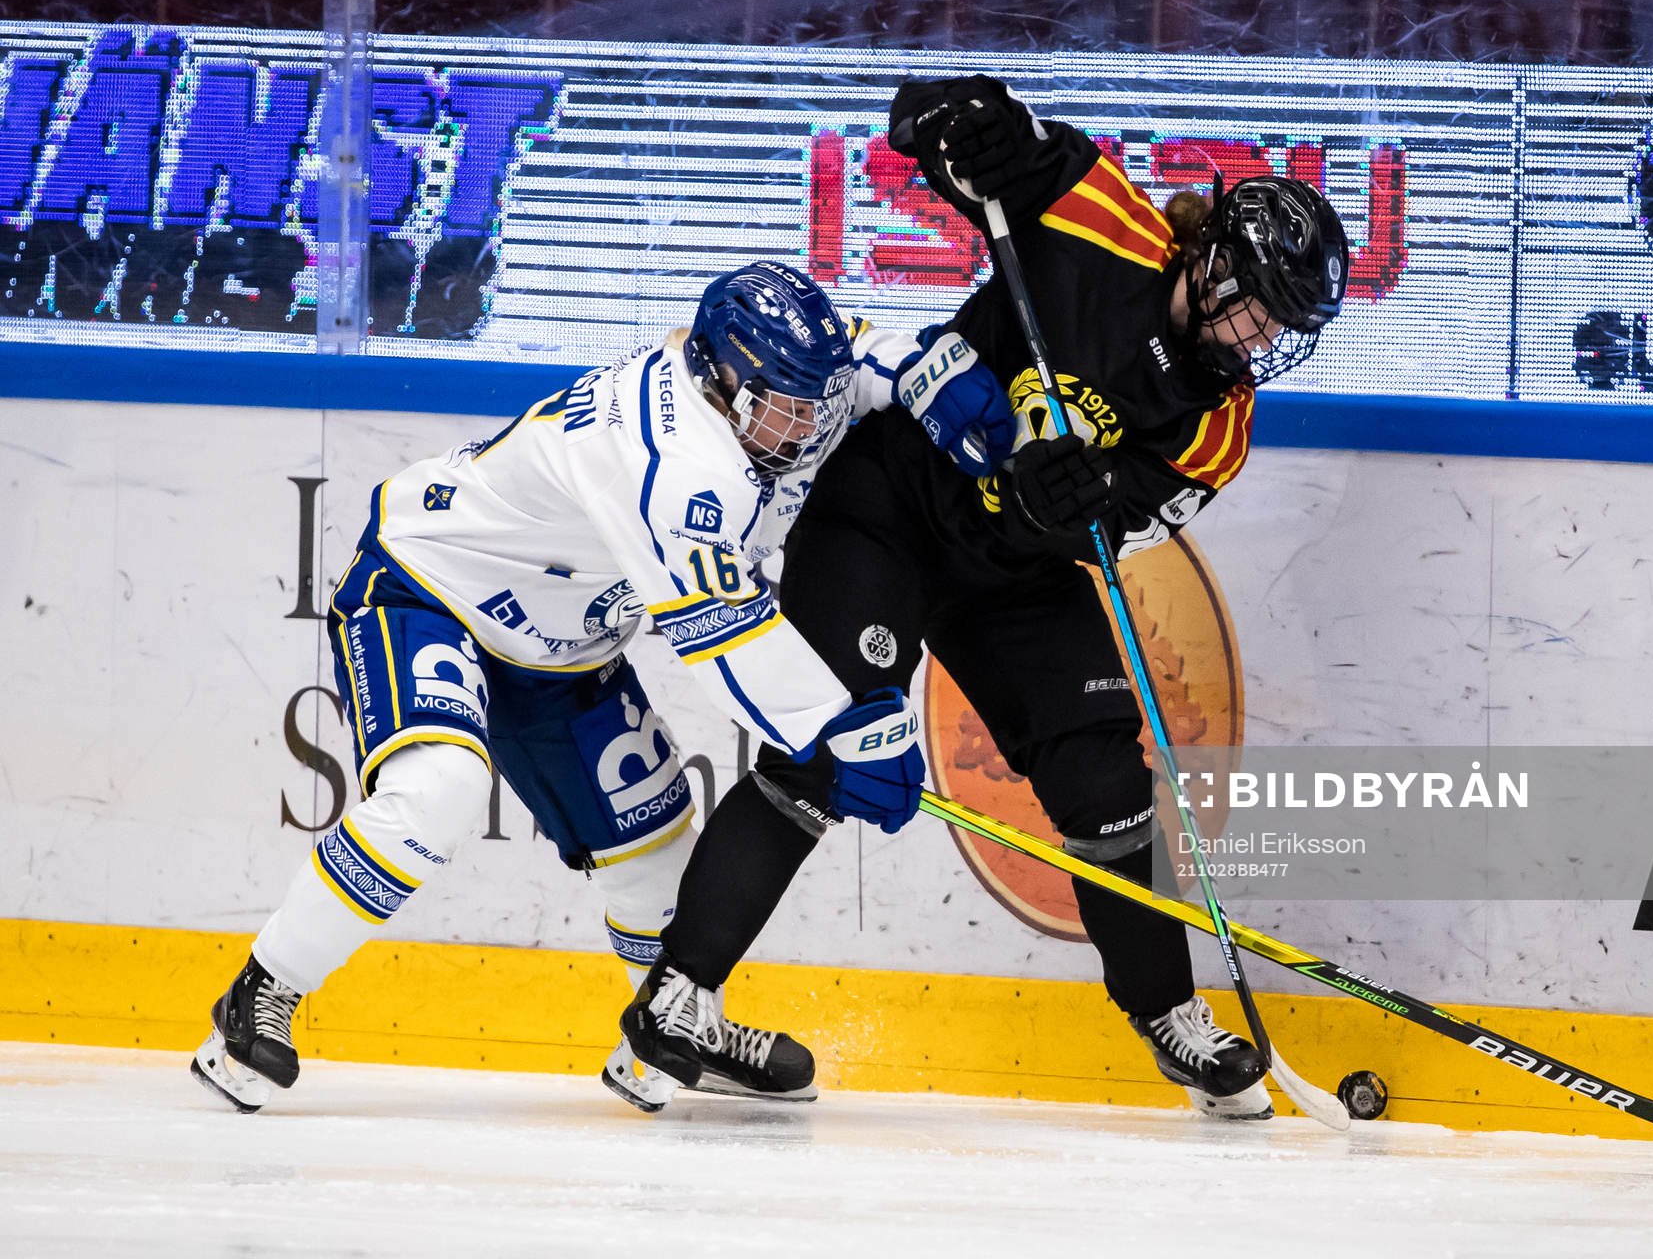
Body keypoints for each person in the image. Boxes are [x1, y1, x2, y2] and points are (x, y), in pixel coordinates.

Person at [629, 75, 1349, 1119]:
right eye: (1258, 311)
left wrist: (1068, 506)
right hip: (889, 505)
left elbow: (1119, 528)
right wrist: (961, 120)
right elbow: (971, 147)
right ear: (1214, 265)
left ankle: (1170, 1016)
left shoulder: (1219, 424)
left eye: (1283, 328)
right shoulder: (1107, 219)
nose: (1261, 341)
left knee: (1106, 779)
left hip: (1014, 573)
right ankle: (677, 1000)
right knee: (823, 753)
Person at [191, 260, 1011, 1113]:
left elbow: (856, 359)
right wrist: (844, 730)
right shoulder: (675, 464)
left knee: (657, 842)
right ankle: (262, 992)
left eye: (816, 405)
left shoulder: (767, 392)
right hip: (431, 590)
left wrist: (920, 369)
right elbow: (731, 638)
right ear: (723, 383)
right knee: (437, 789)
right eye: (789, 409)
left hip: (561, 651)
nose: (809, 431)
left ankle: (678, 1026)